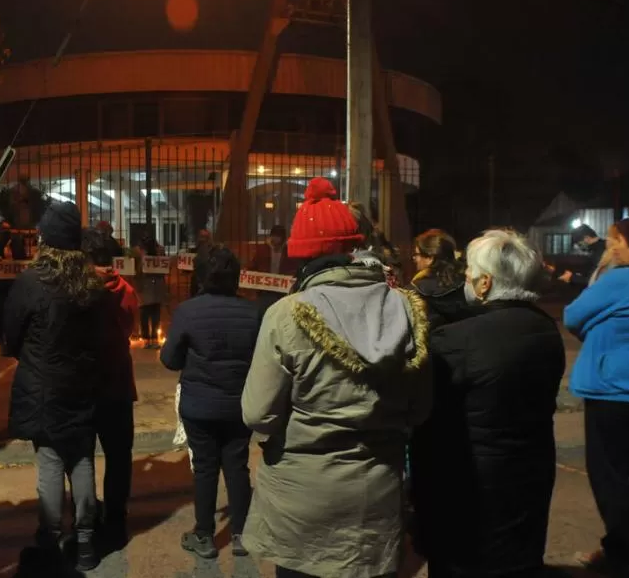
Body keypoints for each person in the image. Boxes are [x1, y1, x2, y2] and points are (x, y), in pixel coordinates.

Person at [240, 177, 431, 578]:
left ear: (302, 257)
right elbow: (421, 406)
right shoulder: (406, 307)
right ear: (353, 248)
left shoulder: (288, 314)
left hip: (302, 497)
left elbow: (258, 413)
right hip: (376, 492)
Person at [410, 229, 565, 578]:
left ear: (485, 285)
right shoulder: (544, 327)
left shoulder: (456, 339)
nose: (464, 281)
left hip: (468, 482)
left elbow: (425, 412)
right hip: (530, 468)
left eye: (469, 276)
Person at [3, 201, 107, 572]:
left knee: (49, 461)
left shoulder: (32, 282)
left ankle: (49, 538)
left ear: (45, 241)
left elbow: (9, 339)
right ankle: (85, 543)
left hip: (43, 391)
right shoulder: (92, 284)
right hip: (82, 388)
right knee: (81, 460)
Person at [565, 216, 629, 577]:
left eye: (615, 240)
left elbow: (573, 316)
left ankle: (622, 553)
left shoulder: (619, 280)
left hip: (613, 392)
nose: (610, 247)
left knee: (613, 477)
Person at [161, 246, 259, 559]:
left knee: (204, 468)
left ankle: (204, 534)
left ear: (201, 276)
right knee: (237, 466)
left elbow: (170, 359)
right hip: (239, 405)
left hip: (199, 405)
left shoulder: (188, 311)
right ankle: (242, 533)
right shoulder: (253, 312)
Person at [82, 227, 138, 550]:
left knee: (83, 458)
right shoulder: (126, 290)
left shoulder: (80, 292)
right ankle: (116, 522)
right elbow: (129, 326)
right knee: (119, 458)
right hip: (118, 384)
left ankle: (86, 521)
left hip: (87, 386)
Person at [410, 229, 468, 327]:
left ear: (430, 258)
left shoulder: (414, 290)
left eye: (417, 254)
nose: (414, 259)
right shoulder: (467, 282)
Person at [249, 225, 296, 316]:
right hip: (264, 290)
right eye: (274, 236)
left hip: (282, 291)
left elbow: (293, 268)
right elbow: (253, 266)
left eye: (277, 237)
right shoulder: (263, 250)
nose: (275, 239)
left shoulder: (288, 251)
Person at [136, 236, 166, 349]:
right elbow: (138, 271)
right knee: (147, 313)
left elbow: (164, 269)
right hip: (147, 286)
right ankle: (147, 338)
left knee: (153, 313)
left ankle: (152, 338)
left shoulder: (159, 253)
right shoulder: (140, 254)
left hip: (154, 286)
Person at [188, 229, 213, 298]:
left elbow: (201, 261)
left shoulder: (204, 248)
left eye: (203, 237)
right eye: (201, 236)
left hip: (203, 279)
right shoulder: (204, 248)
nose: (201, 239)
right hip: (201, 278)